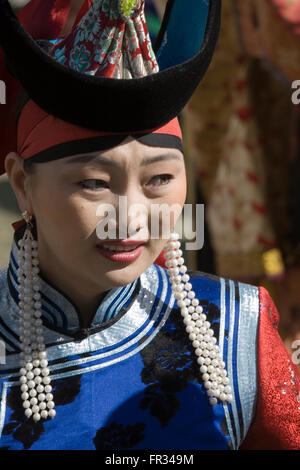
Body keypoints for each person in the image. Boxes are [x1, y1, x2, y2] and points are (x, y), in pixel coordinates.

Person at [0, 0, 299, 451]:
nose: (133, 216)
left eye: (159, 179)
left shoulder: (241, 332)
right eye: (94, 183)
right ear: (22, 184)